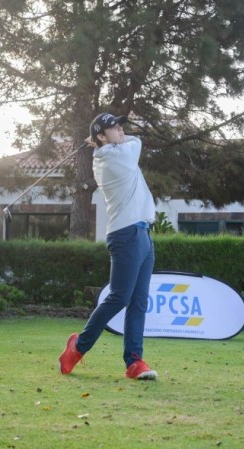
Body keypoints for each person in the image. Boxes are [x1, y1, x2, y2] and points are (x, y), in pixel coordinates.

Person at [58, 112, 158, 380]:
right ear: (101, 136)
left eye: (120, 125)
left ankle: (135, 363)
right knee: (119, 298)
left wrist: (103, 141)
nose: (121, 129)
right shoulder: (116, 156)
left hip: (143, 233)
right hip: (126, 234)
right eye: (114, 127)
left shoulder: (111, 152)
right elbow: (136, 142)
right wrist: (105, 144)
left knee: (138, 302)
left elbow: (127, 140)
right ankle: (77, 348)